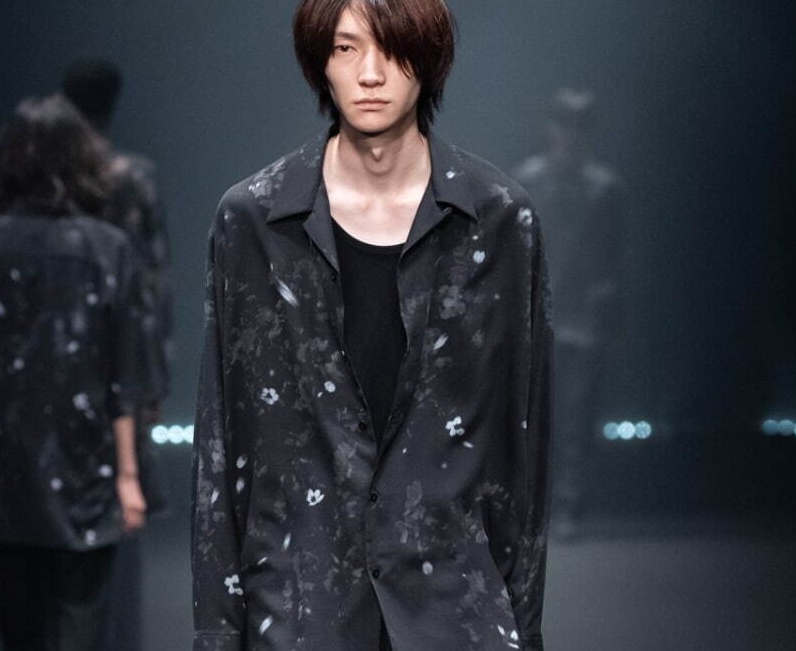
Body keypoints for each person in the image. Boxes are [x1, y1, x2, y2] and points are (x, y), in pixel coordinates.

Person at [191, 1, 553, 650]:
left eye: (392, 48)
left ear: (429, 60)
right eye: (345, 48)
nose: (370, 74)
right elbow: (220, 439)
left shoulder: (498, 221)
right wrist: (216, 634)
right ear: (320, 64)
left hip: (455, 610)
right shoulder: (253, 220)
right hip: (300, 610)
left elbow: (524, 441)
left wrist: (524, 631)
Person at [0, 94, 147, 651]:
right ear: (82, 160)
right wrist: (129, 478)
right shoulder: (110, 251)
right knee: (83, 625)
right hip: (87, 468)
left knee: (21, 630)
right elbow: (123, 374)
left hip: (4, 472)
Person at [62, 57, 173, 651]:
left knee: (59, 496)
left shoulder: (43, 178)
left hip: (57, 355)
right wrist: (155, 378)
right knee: (122, 494)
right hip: (120, 355)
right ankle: (116, 637)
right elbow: (153, 284)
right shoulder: (132, 178)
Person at [512, 89, 624, 540]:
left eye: (579, 126)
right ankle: (533, 507)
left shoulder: (605, 188)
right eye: (565, 123)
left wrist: (603, 306)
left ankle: (569, 505)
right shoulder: (529, 179)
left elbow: (613, 257)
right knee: (532, 414)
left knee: (576, 414)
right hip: (536, 308)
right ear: (551, 128)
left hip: (582, 312)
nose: (570, 134)